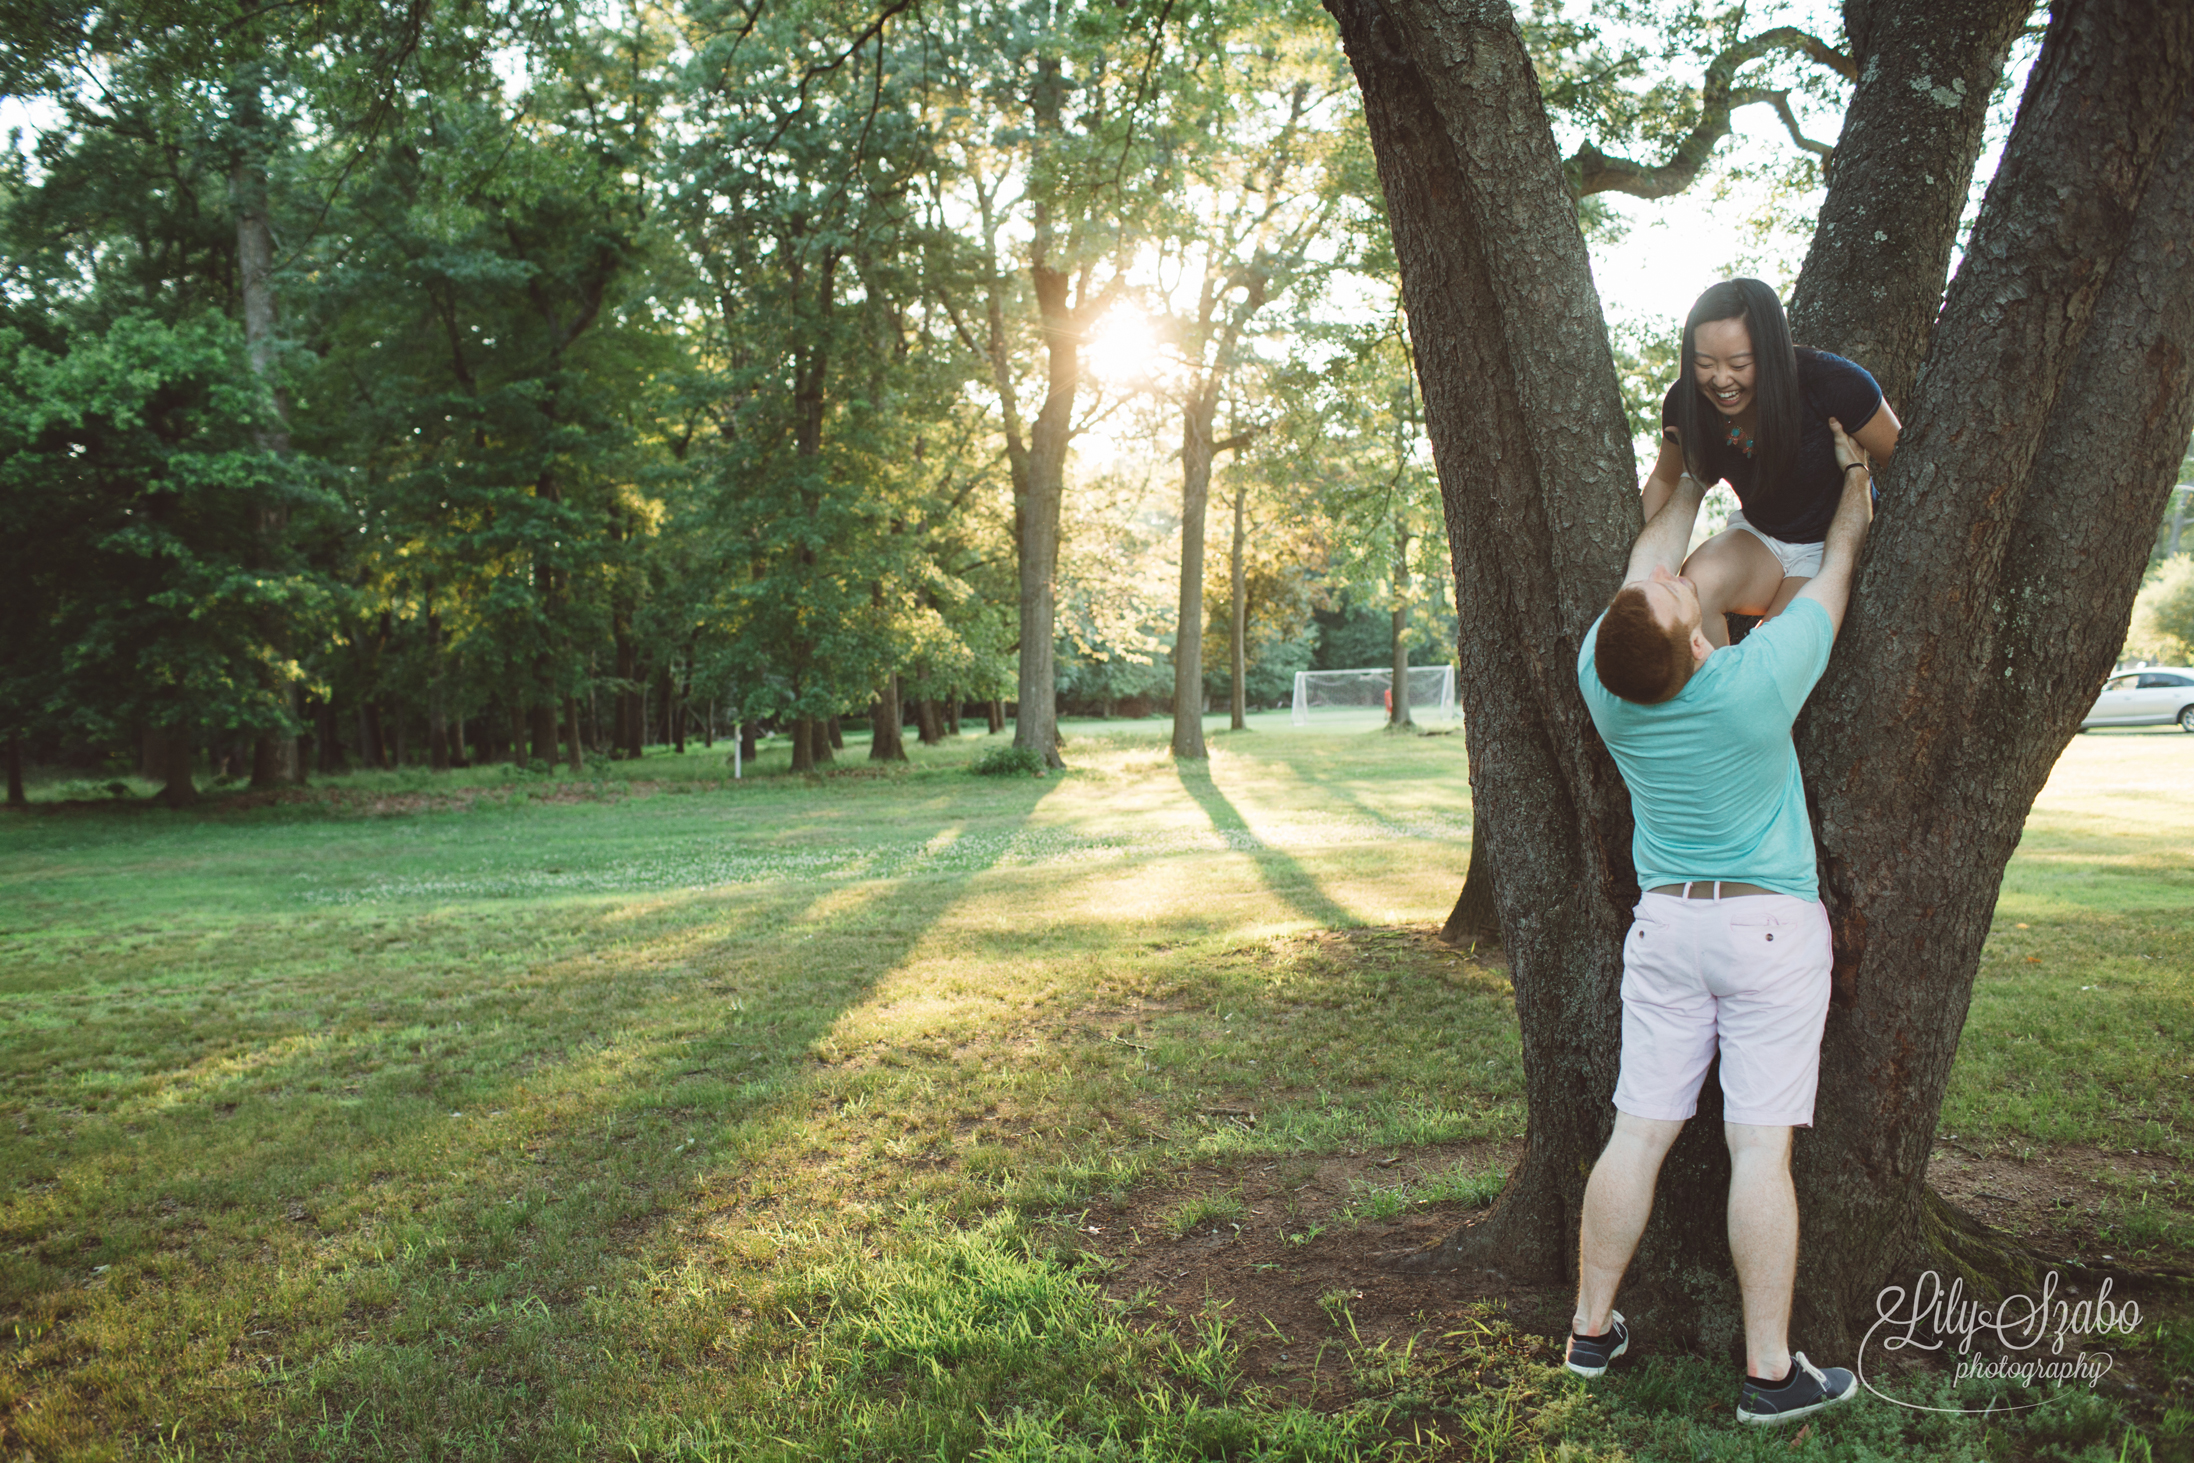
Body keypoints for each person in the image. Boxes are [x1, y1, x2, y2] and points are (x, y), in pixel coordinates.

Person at [1562, 417, 1876, 1426]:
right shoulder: (1752, 686)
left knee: (1639, 1131)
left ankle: (1588, 1329)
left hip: (1666, 931)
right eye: (1676, 595)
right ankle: (1770, 1371)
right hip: (1766, 935)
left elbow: (1649, 558)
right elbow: (1836, 563)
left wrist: (1690, 474)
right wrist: (1853, 476)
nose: (1668, 578)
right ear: (1694, 641)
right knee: (1758, 1150)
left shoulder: (1604, 683)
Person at [1641, 278, 1899, 647]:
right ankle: (1714, 696)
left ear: (1771, 351)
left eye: (1739, 363)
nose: (1721, 379)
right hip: (1760, 537)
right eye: (1704, 363)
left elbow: (1908, 463)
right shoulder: (1686, 403)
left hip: (1831, 547)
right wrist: (1633, 564)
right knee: (1696, 589)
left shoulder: (1836, 384)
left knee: (1774, 647)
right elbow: (1664, 481)